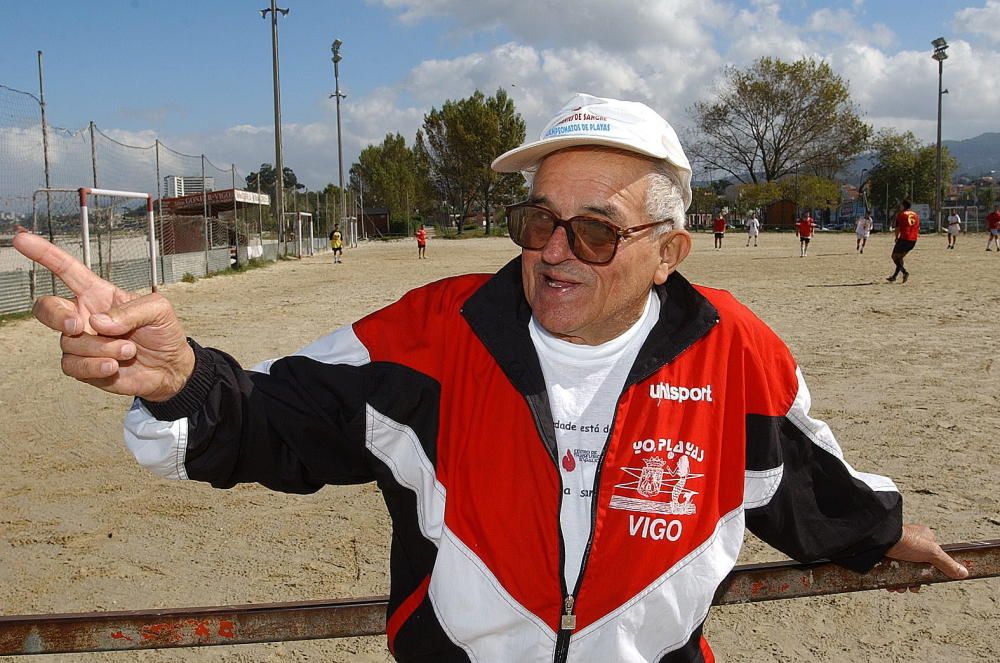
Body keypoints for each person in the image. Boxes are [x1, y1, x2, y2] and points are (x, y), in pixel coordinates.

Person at [13, 93, 966, 663]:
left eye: (595, 229)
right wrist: (178, 377)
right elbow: (276, 415)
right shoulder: (431, 336)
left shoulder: (736, 353)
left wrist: (880, 532)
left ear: (670, 250)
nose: (556, 250)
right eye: (537, 220)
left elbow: (797, 480)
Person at [887, 199, 919, 283]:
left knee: (894, 257)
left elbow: (897, 228)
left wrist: (896, 237)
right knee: (900, 257)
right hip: (913, 240)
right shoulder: (915, 215)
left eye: (901, 205)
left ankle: (905, 272)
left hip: (904, 238)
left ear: (903, 206)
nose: (900, 207)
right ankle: (894, 276)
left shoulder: (901, 214)